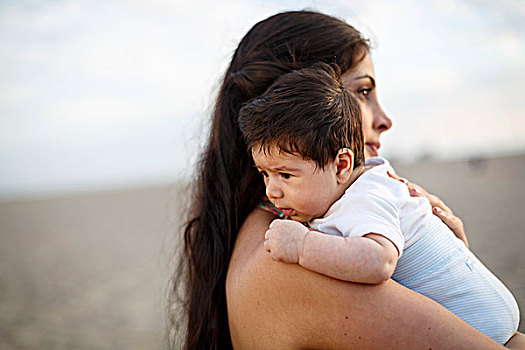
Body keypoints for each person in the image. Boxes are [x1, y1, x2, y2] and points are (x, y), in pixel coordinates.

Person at [171, 10, 525, 349]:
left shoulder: (277, 232)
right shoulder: (292, 260)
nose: (385, 119)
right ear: (297, 106)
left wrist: (444, 261)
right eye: (363, 92)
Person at [238, 63, 520, 345]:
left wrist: (302, 246)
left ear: (341, 166)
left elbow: (378, 261)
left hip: (480, 320)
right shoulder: (355, 186)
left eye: (286, 175)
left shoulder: (366, 197)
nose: (272, 190)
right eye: (265, 174)